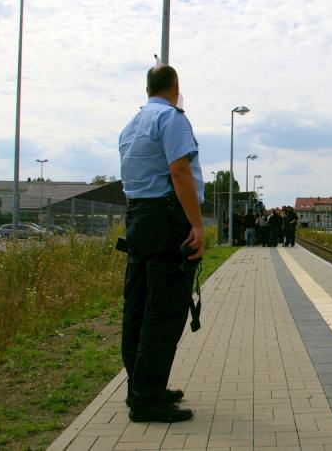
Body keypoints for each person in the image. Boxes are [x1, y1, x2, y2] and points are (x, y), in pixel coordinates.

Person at [118, 60, 203, 423]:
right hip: (167, 218)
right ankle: (147, 399)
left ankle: (139, 388)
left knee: (137, 307)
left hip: (139, 219)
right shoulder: (171, 119)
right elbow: (179, 171)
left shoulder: (131, 125)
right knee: (165, 311)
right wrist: (196, 225)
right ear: (175, 86)